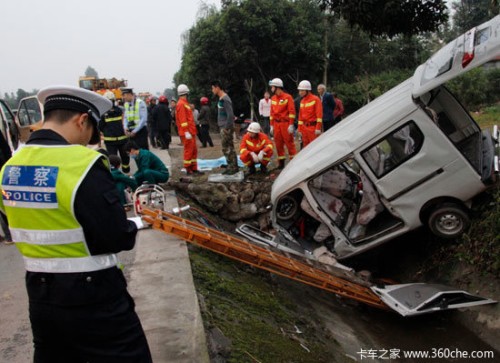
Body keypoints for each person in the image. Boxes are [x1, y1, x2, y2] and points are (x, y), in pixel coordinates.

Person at [0, 85, 152, 362]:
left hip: (40, 296)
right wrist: (133, 225)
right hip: (94, 296)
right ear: (82, 120)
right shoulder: (82, 163)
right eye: (92, 132)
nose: (89, 141)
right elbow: (115, 236)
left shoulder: (10, 167)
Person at [98, 91, 131, 173]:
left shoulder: (103, 113)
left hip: (111, 141)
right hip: (121, 140)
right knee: (124, 157)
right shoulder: (119, 110)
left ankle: (116, 175)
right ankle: (125, 173)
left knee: (114, 159)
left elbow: (100, 127)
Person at [211, 80, 239, 175]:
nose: (212, 90)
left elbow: (230, 115)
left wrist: (227, 128)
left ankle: (233, 168)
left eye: (213, 88)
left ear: (217, 87)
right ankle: (231, 167)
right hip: (223, 126)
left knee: (227, 148)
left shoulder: (225, 99)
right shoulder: (221, 99)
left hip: (225, 127)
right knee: (228, 147)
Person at [269, 77, 297, 169]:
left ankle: (294, 163)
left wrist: (291, 124)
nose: (271, 89)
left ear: (277, 87)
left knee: (289, 143)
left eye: (272, 87)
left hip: (285, 124)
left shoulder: (288, 97)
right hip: (276, 124)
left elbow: (292, 112)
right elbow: (272, 113)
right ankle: (281, 164)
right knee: (278, 143)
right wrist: (271, 125)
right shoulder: (273, 98)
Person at [175, 84, 203, 175]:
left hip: (191, 131)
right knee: (189, 150)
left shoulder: (184, 103)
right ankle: (188, 169)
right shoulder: (181, 104)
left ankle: (194, 168)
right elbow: (183, 120)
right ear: (186, 93)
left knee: (194, 149)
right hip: (187, 132)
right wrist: (186, 131)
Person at [298, 80, 323, 149]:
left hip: (313, 128)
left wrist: (318, 128)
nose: (300, 92)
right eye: (299, 90)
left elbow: (319, 115)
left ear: (307, 90)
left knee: (314, 148)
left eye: (302, 90)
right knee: (306, 148)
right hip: (304, 128)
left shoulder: (316, 99)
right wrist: (300, 129)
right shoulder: (302, 101)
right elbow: (300, 117)